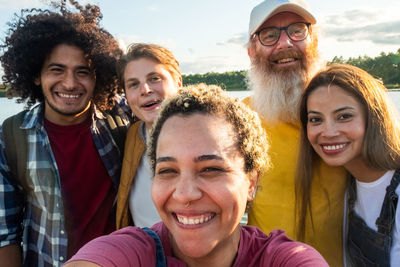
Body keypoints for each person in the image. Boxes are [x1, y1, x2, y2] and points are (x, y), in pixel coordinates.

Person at [65, 84, 329, 267]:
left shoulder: (282, 258)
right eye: (167, 171)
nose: (185, 193)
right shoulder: (133, 252)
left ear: (252, 181)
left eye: (211, 169)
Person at [0, 1, 133, 266]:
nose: (70, 83)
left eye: (82, 72)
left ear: (99, 78)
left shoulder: (122, 117)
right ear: (37, 75)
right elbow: (5, 233)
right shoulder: (12, 136)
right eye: (57, 70)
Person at [245, 0, 347, 265]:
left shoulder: (351, 106)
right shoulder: (239, 118)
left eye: (297, 30)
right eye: (269, 35)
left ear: (313, 41)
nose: (285, 43)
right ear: (251, 51)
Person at [297, 64, 400, 266]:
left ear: (374, 118)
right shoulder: (348, 188)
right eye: (316, 119)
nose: (328, 132)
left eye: (344, 116)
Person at [115, 43, 182, 228]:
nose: (145, 90)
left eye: (154, 78)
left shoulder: (209, 133)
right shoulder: (132, 137)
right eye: (133, 84)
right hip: (141, 253)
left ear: (178, 82)